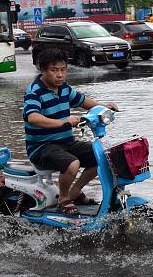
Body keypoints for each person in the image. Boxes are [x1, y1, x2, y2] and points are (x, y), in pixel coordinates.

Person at [23, 48, 119, 215]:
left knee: (102, 155)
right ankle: (64, 198)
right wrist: (63, 122)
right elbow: (33, 117)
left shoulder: (64, 89)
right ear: (43, 70)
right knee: (72, 164)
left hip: (66, 143)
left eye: (63, 69)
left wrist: (104, 107)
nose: (60, 75)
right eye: (54, 70)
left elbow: (84, 101)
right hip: (41, 147)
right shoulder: (34, 91)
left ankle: (75, 191)